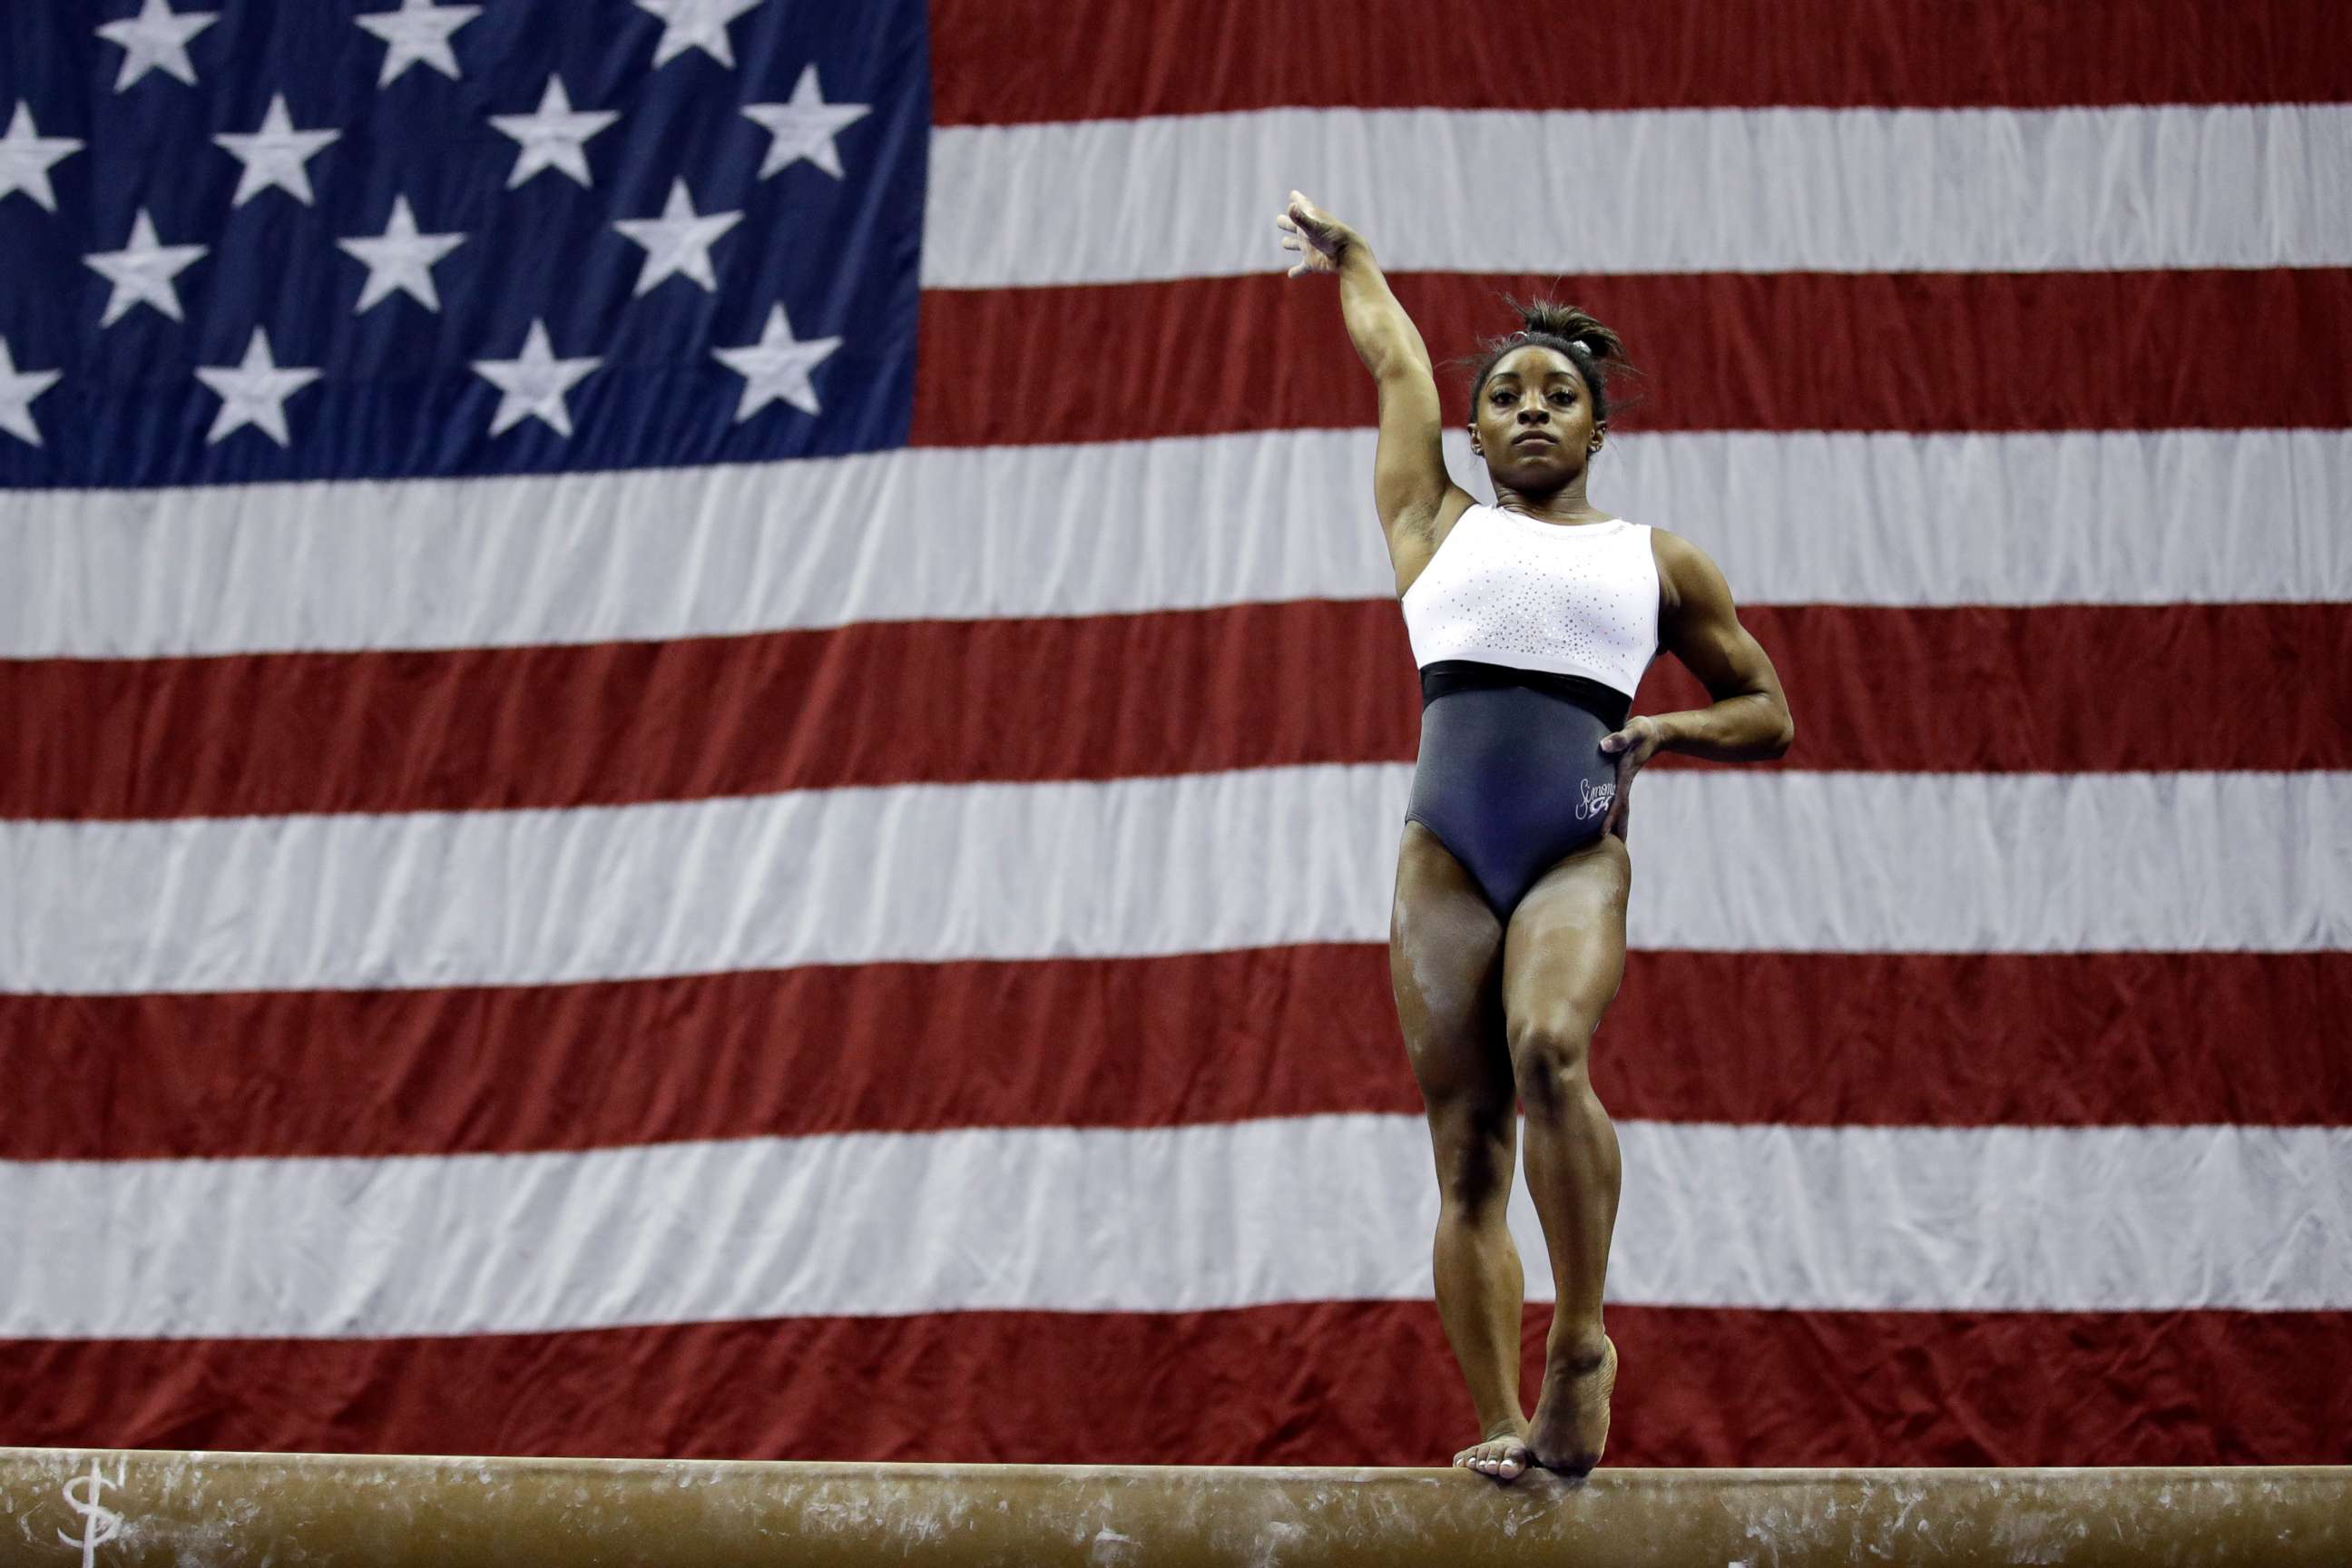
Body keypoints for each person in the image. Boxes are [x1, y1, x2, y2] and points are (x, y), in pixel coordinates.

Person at [1276, 191, 1796, 1482]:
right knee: (1465, 1158)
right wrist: (1358, 261)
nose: (1529, 408)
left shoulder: (1656, 561)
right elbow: (1396, 355)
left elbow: (1769, 708)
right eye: (1506, 392)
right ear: (1476, 428)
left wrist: (1669, 735)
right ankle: (1506, 1430)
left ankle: (1580, 1347)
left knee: (1551, 1050)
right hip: (1443, 852)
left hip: (1573, 847)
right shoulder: (1432, 525)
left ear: (1599, 427)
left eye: (1558, 392)